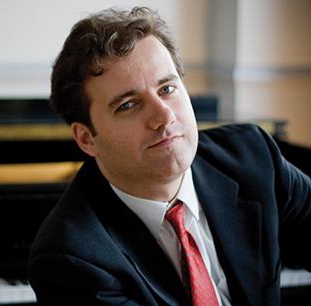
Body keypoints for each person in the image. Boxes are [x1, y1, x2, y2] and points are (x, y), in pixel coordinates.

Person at [28, 6, 311, 306]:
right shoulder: (71, 257)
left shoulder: (252, 156)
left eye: (167, 88)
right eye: (128, 105)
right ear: (87, 138)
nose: (164, 116)